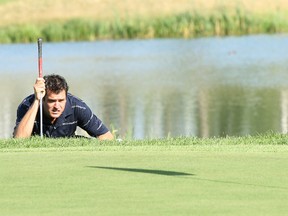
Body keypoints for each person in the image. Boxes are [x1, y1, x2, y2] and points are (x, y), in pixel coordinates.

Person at [13, 74, 114, 140]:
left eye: (61, 100)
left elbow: (106, 136)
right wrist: (36, 100)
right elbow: (19, 140)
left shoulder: (77, 106)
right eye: (52, 101)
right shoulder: (27, 105)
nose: (57, 106)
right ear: (43, 99)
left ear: (66, 97)